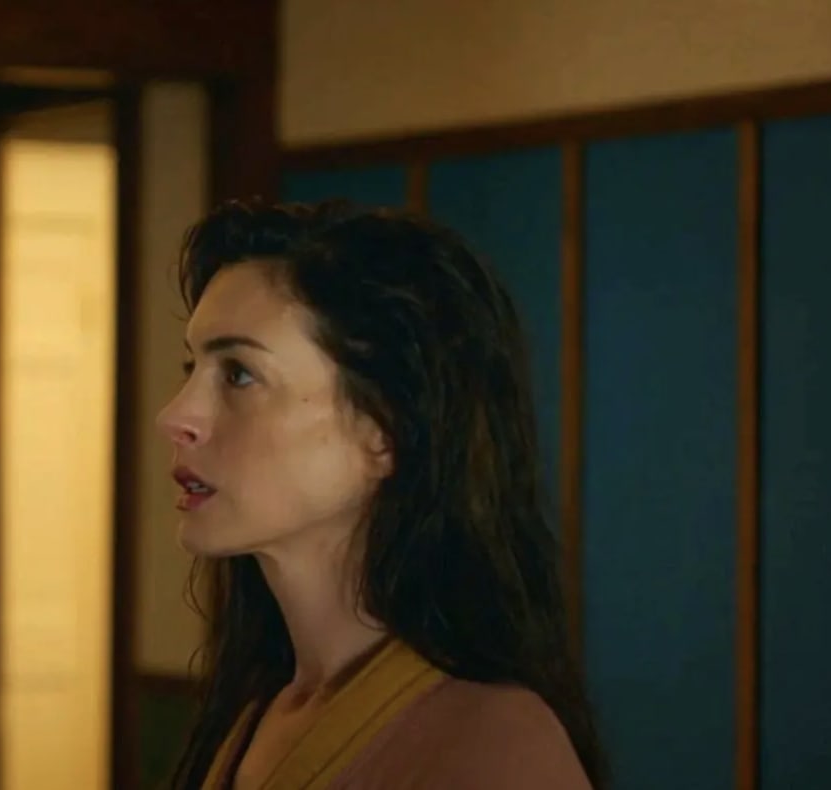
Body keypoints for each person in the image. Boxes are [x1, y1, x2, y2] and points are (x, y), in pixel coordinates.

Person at [158, 199, 604, 789]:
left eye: (239, 374)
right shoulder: (255, 711)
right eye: (190, 368)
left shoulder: (493, 740)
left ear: (385, 431)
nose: (176, 416)